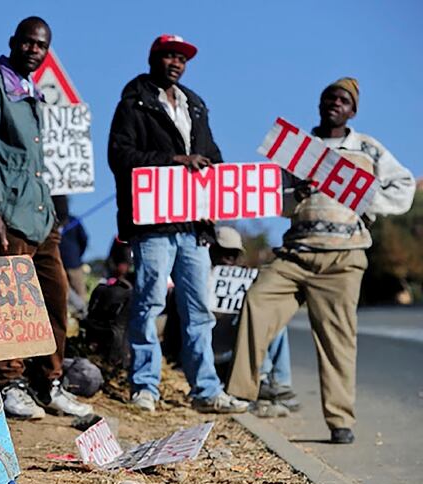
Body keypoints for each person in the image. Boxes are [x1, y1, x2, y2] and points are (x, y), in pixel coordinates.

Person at [228, 78, 416, 444]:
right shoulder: (300, 151)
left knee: (337, 338)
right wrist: (294, 194)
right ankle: (240, 395)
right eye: (329, 98)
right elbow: (278, 203)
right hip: (296, 254)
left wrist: (364, 198)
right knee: (256, 303)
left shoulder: (367, 148)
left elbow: (404, 186)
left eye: (343, 100)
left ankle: (340, 420)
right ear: (319, 104)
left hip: (343, 258)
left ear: (353, 110)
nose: (335, 103)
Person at [0, 16, 92, 419]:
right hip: (8, 215)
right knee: (8, 304)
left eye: (42, 46)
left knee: (54, 298)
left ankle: (49, 383)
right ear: (14, 42)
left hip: (40, 217)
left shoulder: (32, 95)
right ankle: (8, 384)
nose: (35, 50)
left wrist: (54, 214)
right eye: (29, 43)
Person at [108, 34, 248, 414]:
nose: (176, 63)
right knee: (150, 302)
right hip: (153, 226)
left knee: (198, 307)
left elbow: (213, 156)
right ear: (154, 59)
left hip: (193, 227)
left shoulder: (195, 106)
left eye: (181, 58)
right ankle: (146, 387)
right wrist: (174, 159)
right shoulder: (134, 103)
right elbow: (121, 156)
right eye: (169, 56)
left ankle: (205, 389)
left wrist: (211, 185)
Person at [209, 226, 298, 415]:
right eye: (223, 252)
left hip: (239, 351)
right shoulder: (199, 278)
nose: (228, 259)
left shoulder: (247, 279)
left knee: (274, 321)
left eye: (233, 254)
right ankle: (262, 383)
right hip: (213, 350)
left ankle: (279, 385)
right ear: (212, 251)